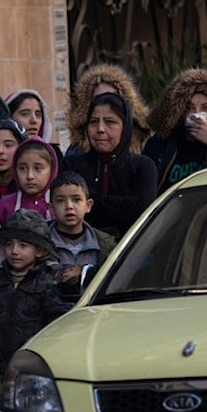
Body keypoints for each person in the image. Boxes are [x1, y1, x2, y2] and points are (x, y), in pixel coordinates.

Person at [0, 210, 69, 397]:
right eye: (9, 244)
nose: (14, 251)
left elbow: (57, 327)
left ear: (40, 250)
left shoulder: (50, 282)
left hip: (37, 372)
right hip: (0, 370)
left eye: (23, 245)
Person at [66, 93, 158, 237]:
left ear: (125, 127)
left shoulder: (142, 166)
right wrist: (123, 205)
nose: (100, 129)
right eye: (94, 121)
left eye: (110, 122)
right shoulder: (72, 164)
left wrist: (90, 197)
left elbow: (141, 209)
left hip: (129, 251)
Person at [47, 171, 116, 302]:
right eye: (61, 201)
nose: (69, 206)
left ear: (88, 205)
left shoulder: (105, 245)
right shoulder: (41, 243)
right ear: (51, 208)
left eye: (76, 200)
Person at [66, 64, 151, 155]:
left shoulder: (145, 143)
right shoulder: (76, 152)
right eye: (98, 99)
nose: (105, 104)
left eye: (113, 99)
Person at [0, 136, 58, 224]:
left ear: (52, 170)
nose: (30, 176)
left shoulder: (58, 204)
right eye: (23, 168)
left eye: (37, 168)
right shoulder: (5, 206)